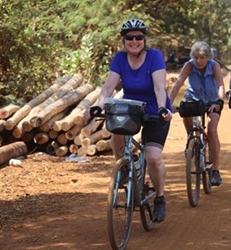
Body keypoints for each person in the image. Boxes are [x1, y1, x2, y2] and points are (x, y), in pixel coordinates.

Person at [85, 18, 172, 223]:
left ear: (144, 39)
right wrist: (99, 104)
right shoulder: (120, 59)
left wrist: (162, 108)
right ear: (124, 40)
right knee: (116, 132)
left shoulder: (155, 57)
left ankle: (159, 198)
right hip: (131, 107)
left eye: (139, 37)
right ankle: (123, 168)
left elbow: (160, 87)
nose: (134, 41)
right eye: (130, 37)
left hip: (154, 110)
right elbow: (108, 88)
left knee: (152, 157)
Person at [169, 41, 225, 186]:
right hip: (193, 98)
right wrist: (168, 104)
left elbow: (220, 85)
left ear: (208, 57)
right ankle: (190, 137)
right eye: (196, 57)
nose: (199, 61)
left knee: (212, 130)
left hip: (212, 101)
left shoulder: (214, 66)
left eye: (202, 57)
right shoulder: (189, 65)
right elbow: (177, 84)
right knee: (185, 110)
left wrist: (219, 102)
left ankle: (215, 171)